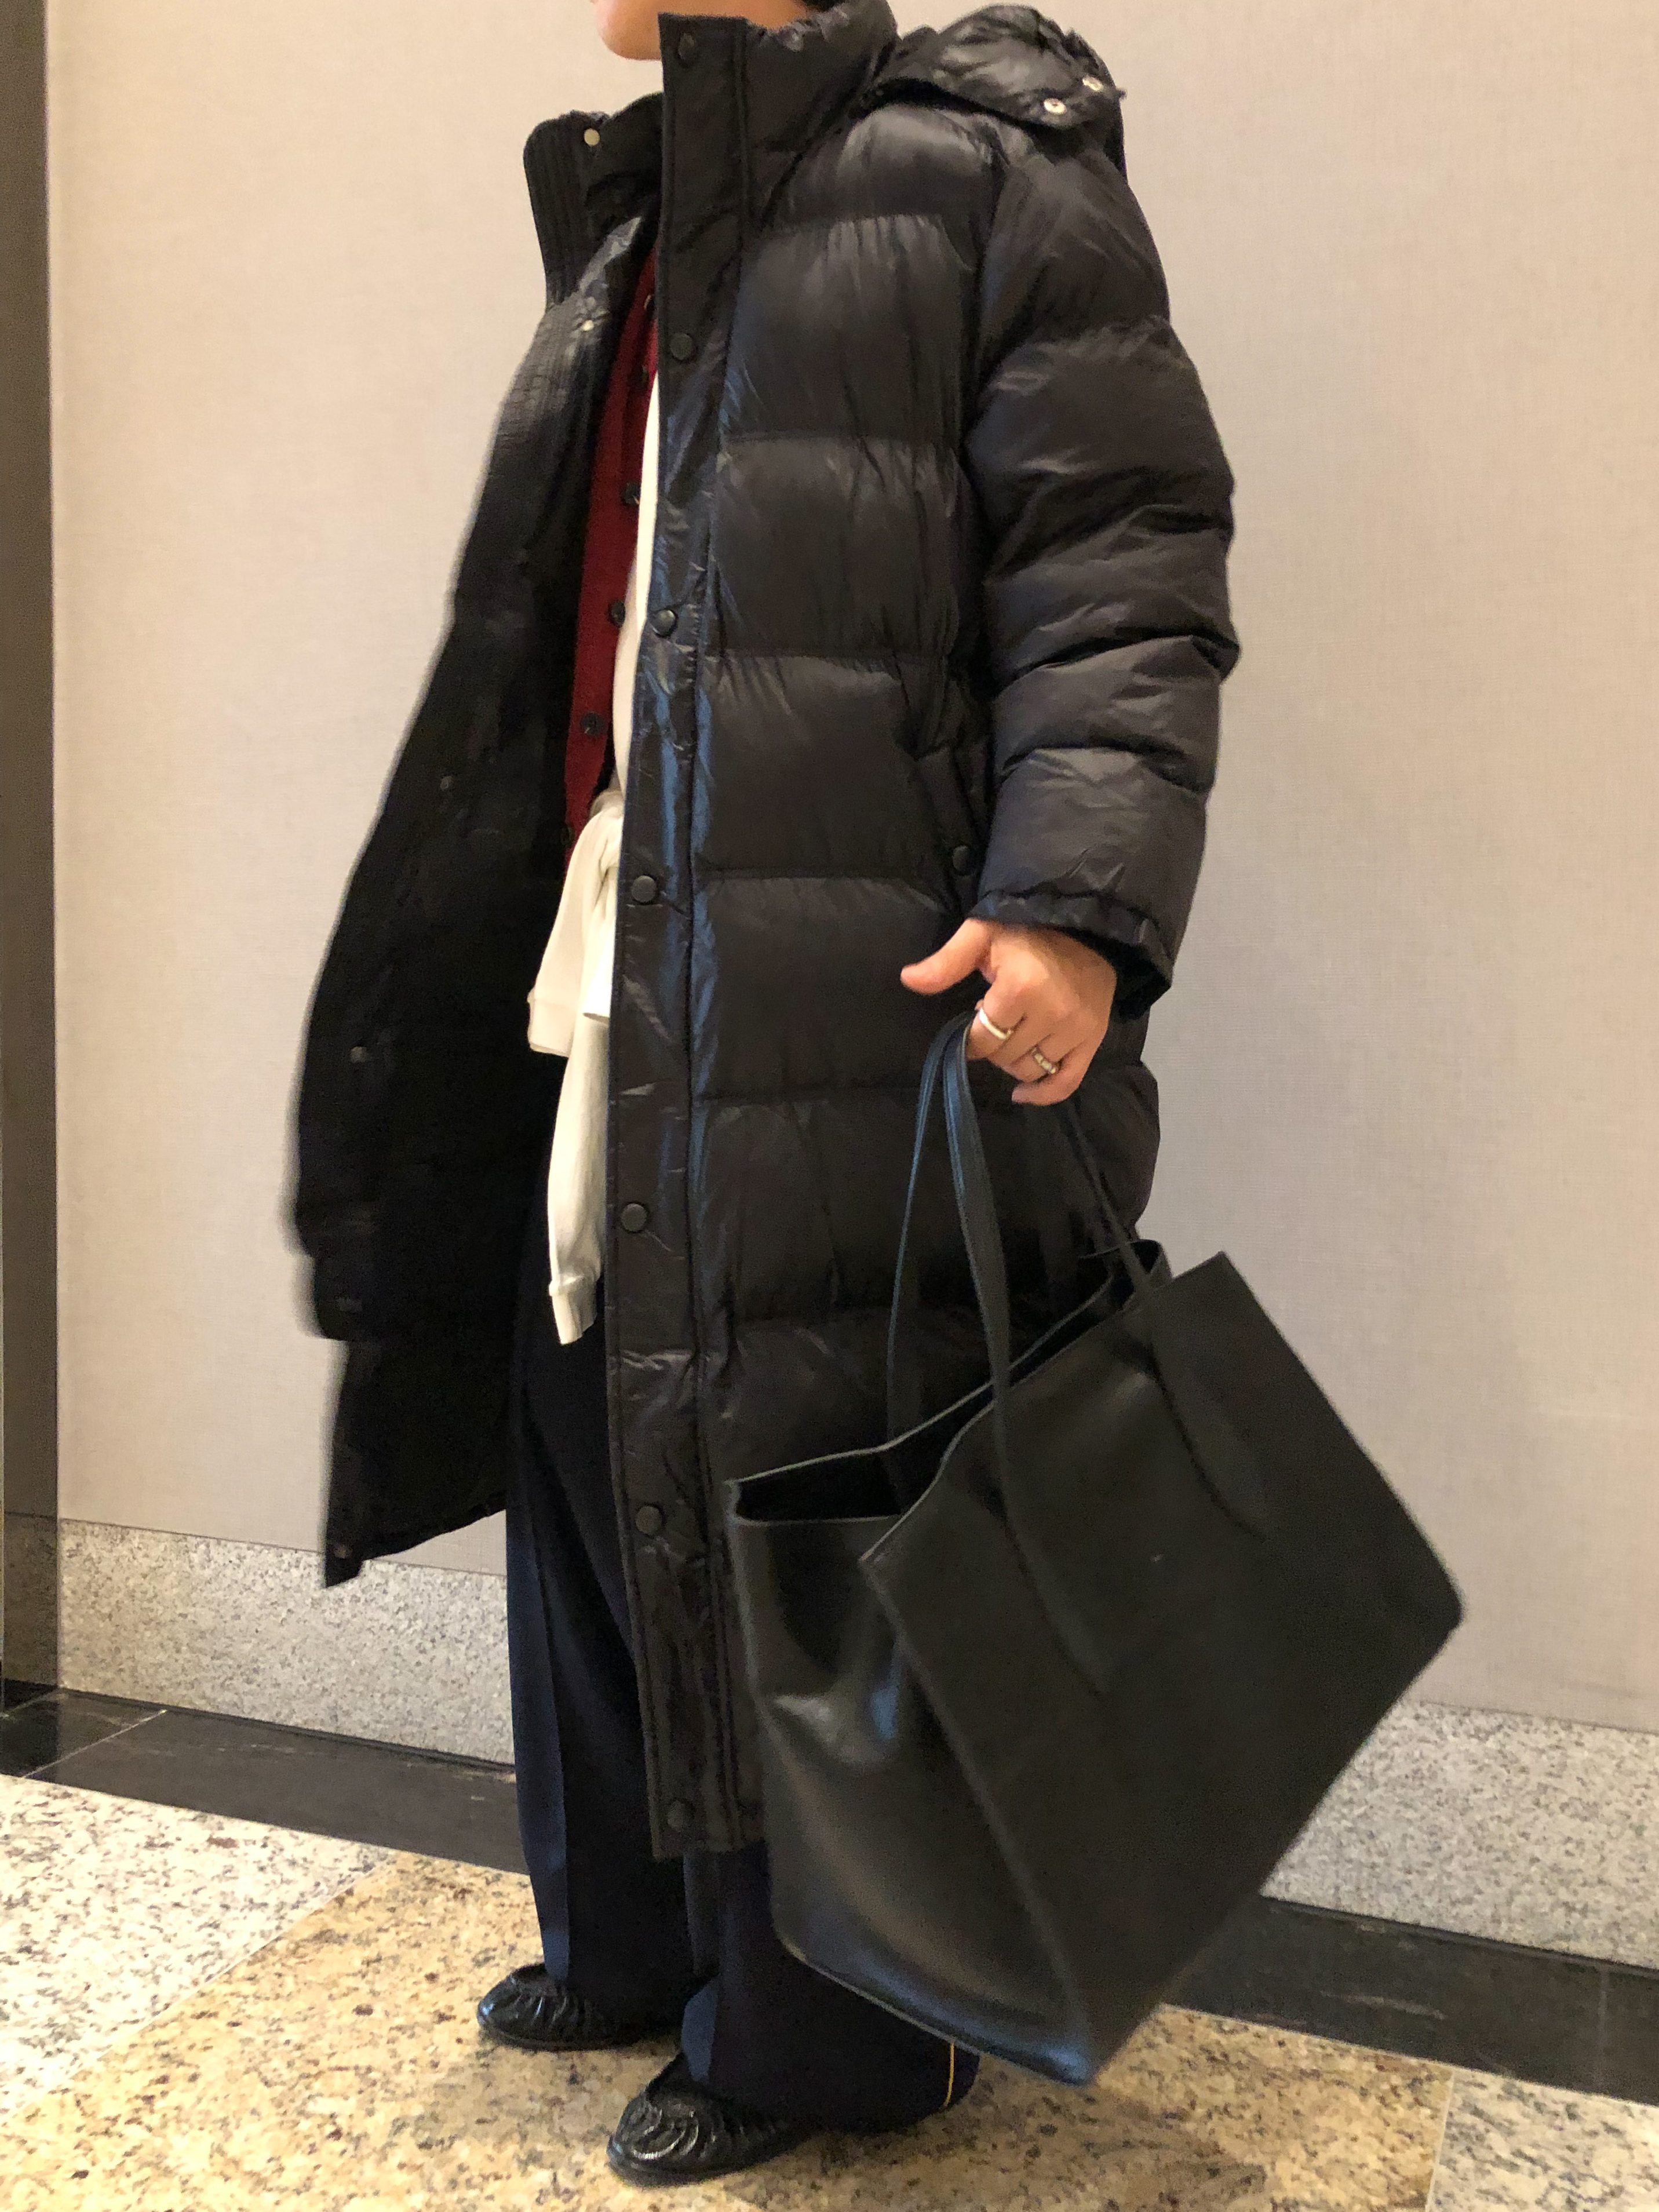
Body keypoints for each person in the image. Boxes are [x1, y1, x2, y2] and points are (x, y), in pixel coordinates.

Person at [291, 0, 1235, 2183]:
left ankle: (827, 2038)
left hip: (842, 973)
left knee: (805, 1471)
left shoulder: (985, 177)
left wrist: (1073, 904)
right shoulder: (652, 207)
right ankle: (630, 1933)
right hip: (616, 944)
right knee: (590, 1418)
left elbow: (1122, 566)